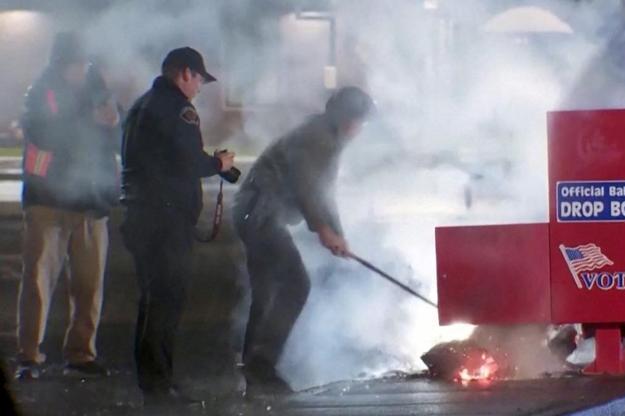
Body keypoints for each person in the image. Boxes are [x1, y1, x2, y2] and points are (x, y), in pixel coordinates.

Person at [232, 86, 374, 393]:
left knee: (266, 290)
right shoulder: (317, 138)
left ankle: (252, 365)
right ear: (344, 117)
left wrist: (338, 234)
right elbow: (306, 187)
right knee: (296, 284)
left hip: (254, 212)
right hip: (261, 214)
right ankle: (262, 365)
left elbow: (325, 195)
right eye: (358, 121)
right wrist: (323, 229)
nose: (360, 129)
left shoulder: (327, 138)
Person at [119, 47, 235, 404]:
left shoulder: (142, 105)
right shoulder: (179, 109)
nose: (200, 86)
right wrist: (219, 163)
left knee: (152, 301)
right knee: (167, 301)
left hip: (141, 215)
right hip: (166, 221)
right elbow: (187, 161)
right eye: (199, 78)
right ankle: (159, 384)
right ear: (185, 73)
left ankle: (151, 380)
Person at [16, 32, 119, 380]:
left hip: (90, 202)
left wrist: (106, 119)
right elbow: (46, 132)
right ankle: (29, 355)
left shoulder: (96, 87)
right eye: (76, 63)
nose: (81, 69)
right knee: (38, 282)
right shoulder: (41, 91)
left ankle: (81, 353)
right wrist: (92, 121)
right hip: (48, 202)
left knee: (90, 285)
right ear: (60, 63)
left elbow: (112, 129)